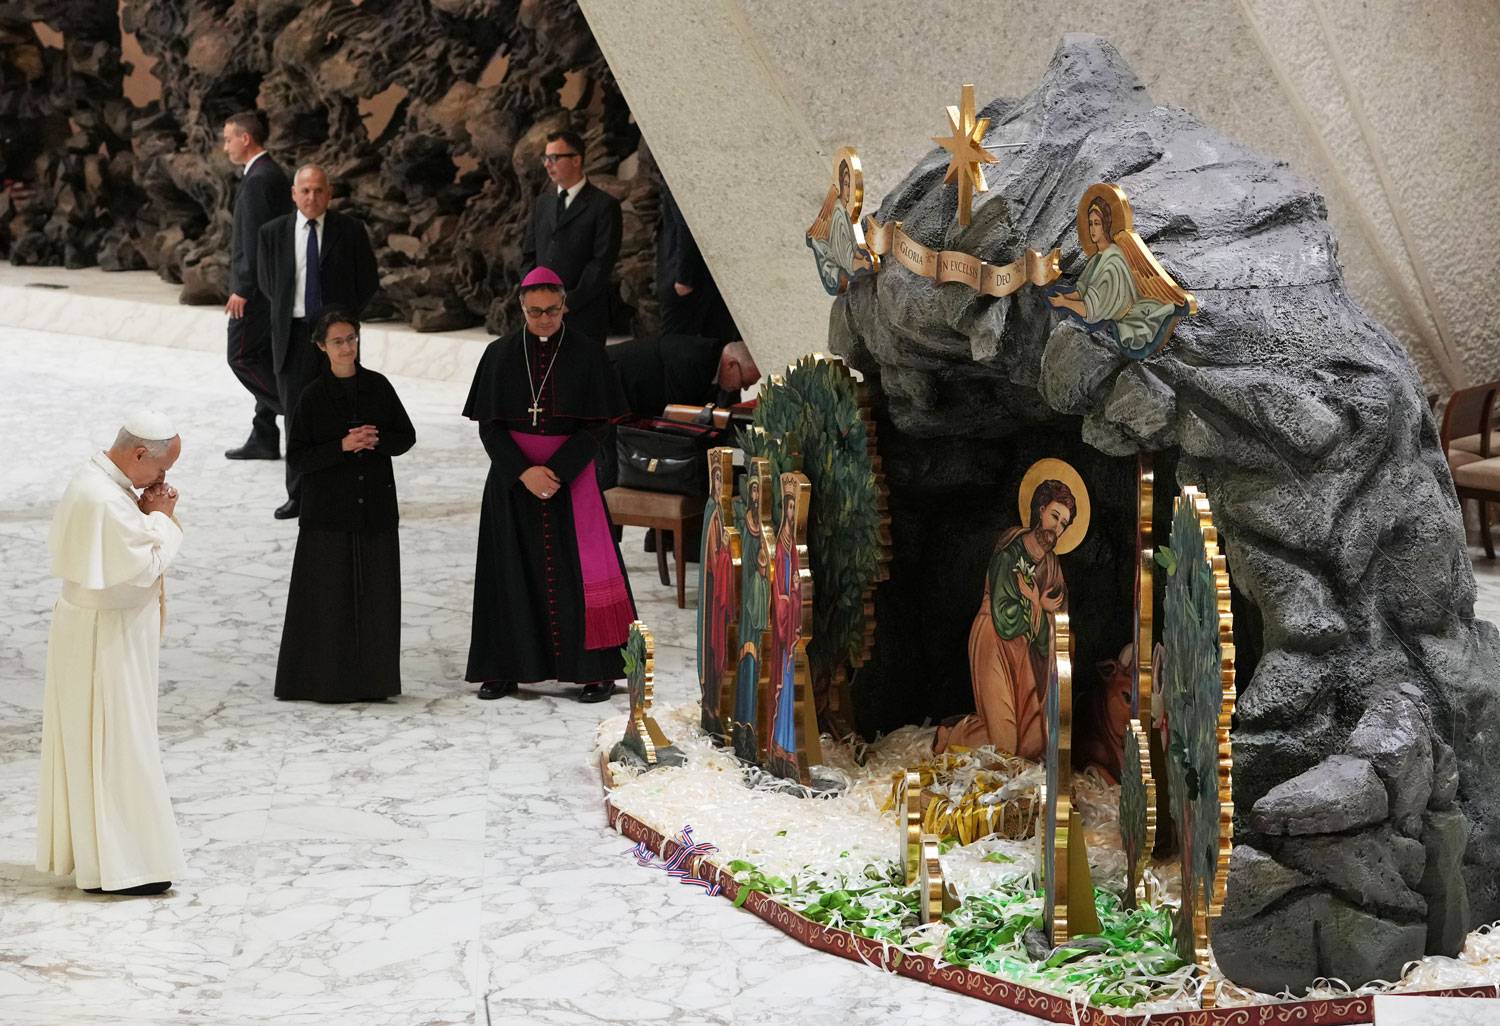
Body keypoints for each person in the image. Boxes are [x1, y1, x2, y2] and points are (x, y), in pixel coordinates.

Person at [463, 266, 634, 703]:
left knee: (579, 574)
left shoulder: (588, 354)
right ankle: (503, 669)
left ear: (565, 307)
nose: (543, 319)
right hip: (512, 480)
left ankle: (595, 671)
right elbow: (489, 427)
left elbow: (598, 427)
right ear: (521, 306)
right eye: (535, 311)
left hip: (571, 479)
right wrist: (524, 471)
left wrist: (556, 471)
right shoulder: (499, 355)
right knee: (507, 572)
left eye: (552, 311)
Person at [36, 412, 186, 896]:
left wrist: (148, 512)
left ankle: (115, 860)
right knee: (118, 745)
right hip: (107, 639)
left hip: (100, 631)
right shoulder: (104, 498)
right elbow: (145, 564)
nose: (163, 481)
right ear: (139, 454)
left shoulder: (101, 481)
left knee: (108, 744)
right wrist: (160, 518)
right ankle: (125, 866)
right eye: (161, 471)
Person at [275, 308, 415, 703]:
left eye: (351, 338)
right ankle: (323, 682)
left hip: (374, 508)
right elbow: (299, 458)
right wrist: (341, 446)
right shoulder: (312, 396)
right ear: (322, 346)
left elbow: (405, 437)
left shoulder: (378, 386)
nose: (347, 347)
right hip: (328, 514)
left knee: (377, 598)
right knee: (327, 599)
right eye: (338, 341)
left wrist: (377, 440)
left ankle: (374, 682)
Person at [257, 164, 380, 520]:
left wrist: (341, 323)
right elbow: (268, 283)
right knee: (296, 418)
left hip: (337, 339)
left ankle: (345, 492)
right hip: (293, 336)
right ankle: (299, 495)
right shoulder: (273, 233)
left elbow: (367, 281)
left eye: (318, 190)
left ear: (329, 194)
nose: (312, 197)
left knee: (346, 414)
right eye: (305, 191)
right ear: (294, 194)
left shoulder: (351, 230)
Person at [935, 479, 1076, 759]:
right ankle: (953, 736)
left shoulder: (1051, 566)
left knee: (1031, 744)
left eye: (1063, 524)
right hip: (994, 641)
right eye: (1055, 517)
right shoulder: (1009, 551)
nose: (1056, 528)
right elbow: (1004, 618)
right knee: (1005, 745)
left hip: (1025, 650)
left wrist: (1041, 609)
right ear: (1040, 509)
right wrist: (1037, 605)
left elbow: (1058, 622)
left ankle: (963, 732)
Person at [221, 110, 292, 461]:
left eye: (228, 138)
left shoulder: (260, 178)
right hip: (268, 286)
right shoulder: (266, 174)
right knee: (264, 356)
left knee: (241, 355)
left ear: (245, 139)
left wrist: (243, 287)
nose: (225, 147)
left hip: (258, 290)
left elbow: (256, 240)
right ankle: (264, 436)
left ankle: (298, 411)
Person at [521, 130, 622, 345]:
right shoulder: (543, 203)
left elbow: (601, 262)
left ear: (576, 160)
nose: (548, 164)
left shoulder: (604, 206)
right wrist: (533, 296)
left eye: (555, 158)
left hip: (583, 314)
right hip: (541, 315)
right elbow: (529, 253)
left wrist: (567, 302)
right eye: (545, 158)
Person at [655, 183, 737, 341]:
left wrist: (684, 278)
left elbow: (686, 226)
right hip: (712, 277)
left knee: (675, 346)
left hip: (688, 280)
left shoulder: (680, 177)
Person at [608, 336, 761, 419]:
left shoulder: (713, 360)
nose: (744, 388)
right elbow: (679, 414)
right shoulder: (695, 362)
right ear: (731, 364)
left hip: (632, 392)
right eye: (744, 382)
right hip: (614, 380)